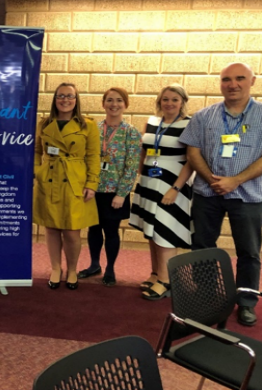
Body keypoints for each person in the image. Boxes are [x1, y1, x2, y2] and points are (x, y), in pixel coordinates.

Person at [179, 63, 262, 326]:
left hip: (250, 196)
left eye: (240, 78)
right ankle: (207, 298)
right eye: (226, 79)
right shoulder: (204, 116)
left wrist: (235, 181)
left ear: (253, 80)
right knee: (202, 247)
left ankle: (246, 302)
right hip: (208, 193)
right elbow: (192, 152)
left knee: (249, 252)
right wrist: (212, 180)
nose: (233, 84)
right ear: (220, 83)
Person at [33, 82, 100, 290]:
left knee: (72, 231)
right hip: (50, 179)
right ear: (55, 99)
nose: (65, 100)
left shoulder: (87, 125)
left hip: (75, 181)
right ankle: (55, 268)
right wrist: (37, 171)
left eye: (70, 96)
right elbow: (35, 151)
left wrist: (92, 183)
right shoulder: (44, 124)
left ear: (76, 100)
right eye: (61, 96)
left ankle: (72, 269)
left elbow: (93, 156)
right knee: (51, 228)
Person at [129, 84, 193, 301]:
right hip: (149, 182)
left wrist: (176, 188)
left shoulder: (189, 124)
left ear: (182, 102)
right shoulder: (152, 122)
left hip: (172, 184)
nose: (169, 103)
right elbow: (144, 151)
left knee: (165, 229)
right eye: (165, 99)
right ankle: (156, 273)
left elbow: (191, 160)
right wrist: (141, 175)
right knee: (151, 229)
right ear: (159, 101)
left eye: (175, 99)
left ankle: (167, 281)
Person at [78, 88, 141, 286]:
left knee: (111, 231)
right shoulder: (92, 129)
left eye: (119, 101)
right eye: (110, 100)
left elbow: (131, 166)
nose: (114, 104)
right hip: (93, 189)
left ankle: (110, 268)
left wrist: (122, 194)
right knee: (93, 229)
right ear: (103, 103)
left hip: (115, 192)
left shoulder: (131, 132)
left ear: (126, 104)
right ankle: (94, 264)